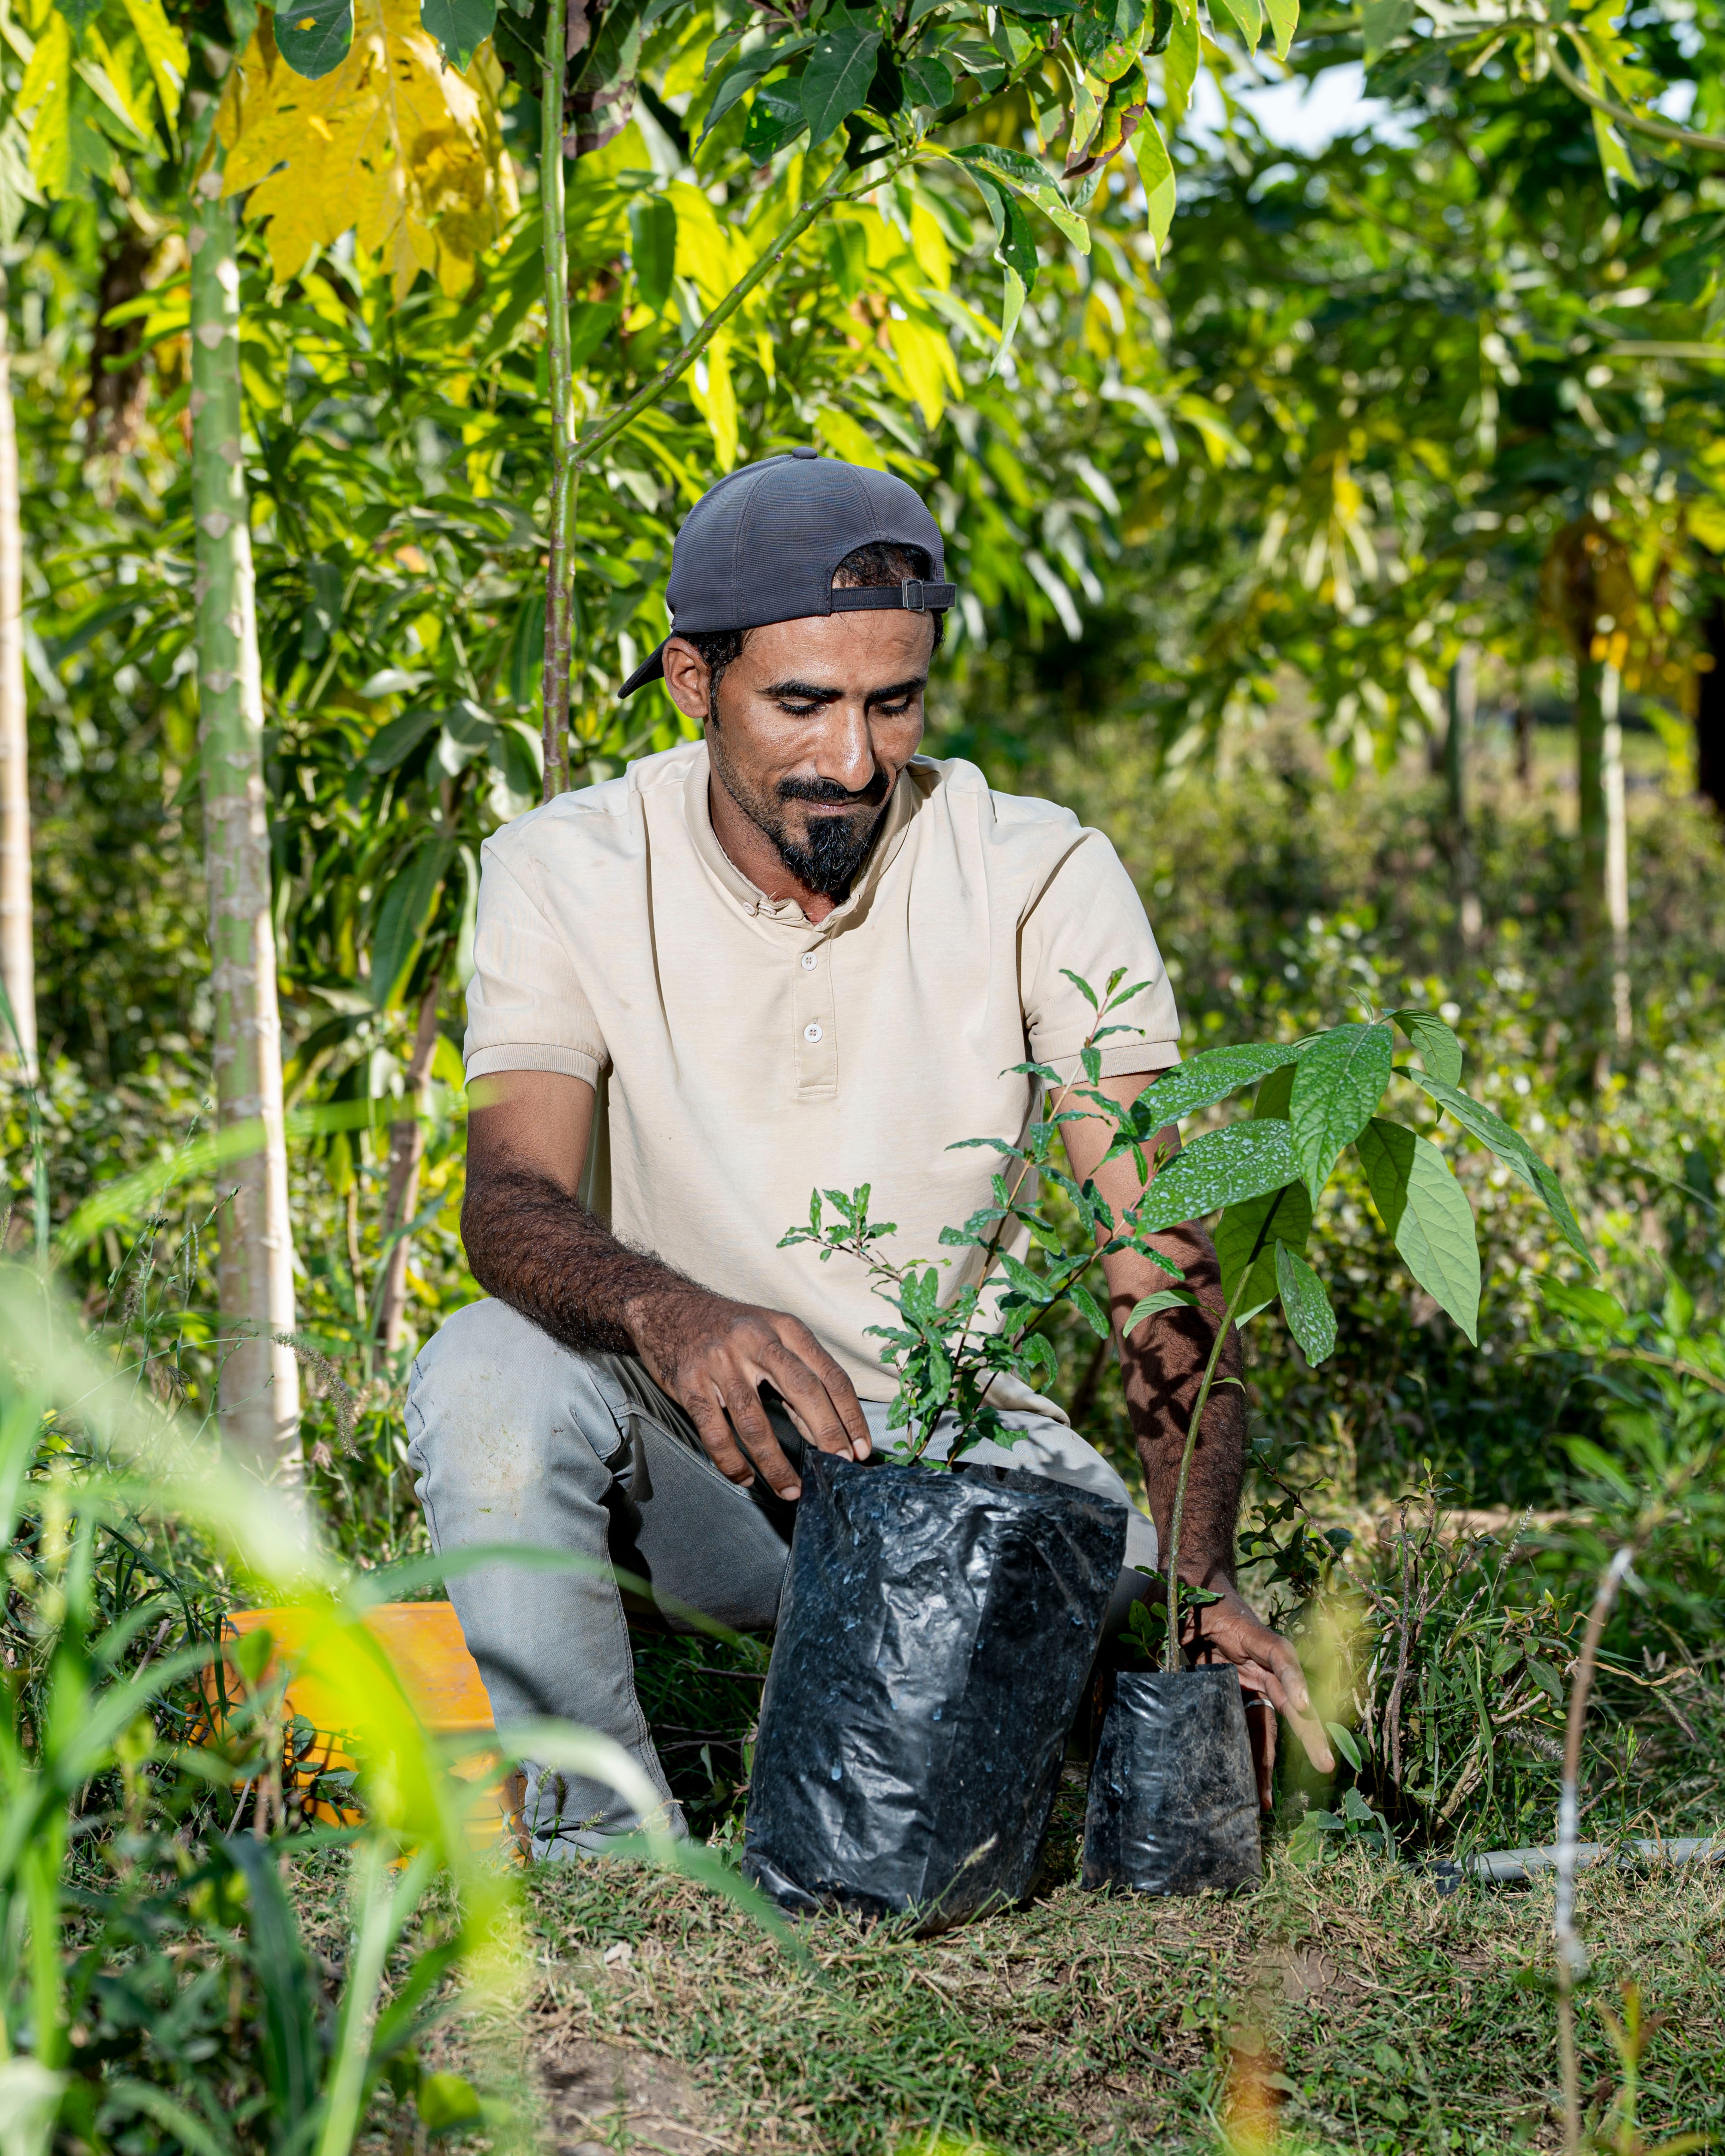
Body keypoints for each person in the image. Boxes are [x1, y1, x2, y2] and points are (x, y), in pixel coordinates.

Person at [404, 447, 1331, 1851]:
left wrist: (1201, 1589)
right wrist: (670, 1310)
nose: (851, 760)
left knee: (1136, 1720)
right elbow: (511, 1202)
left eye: (892, 705)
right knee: (485, 1371)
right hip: (706, 1464)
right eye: (803, 704)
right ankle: (602, 1853)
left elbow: (1161, 1251)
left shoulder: (1040, 874)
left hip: (967, 1468)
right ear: (691, 684)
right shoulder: (565, 868)